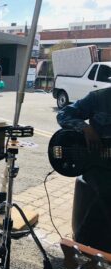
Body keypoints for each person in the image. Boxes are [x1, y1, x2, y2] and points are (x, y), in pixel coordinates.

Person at [57, 87, 111, 252]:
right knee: (107, 192)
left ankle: (87, 244)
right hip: (95, 167)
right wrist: (85, 128)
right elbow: (63, 114)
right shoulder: (99, 98)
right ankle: (85, 245)